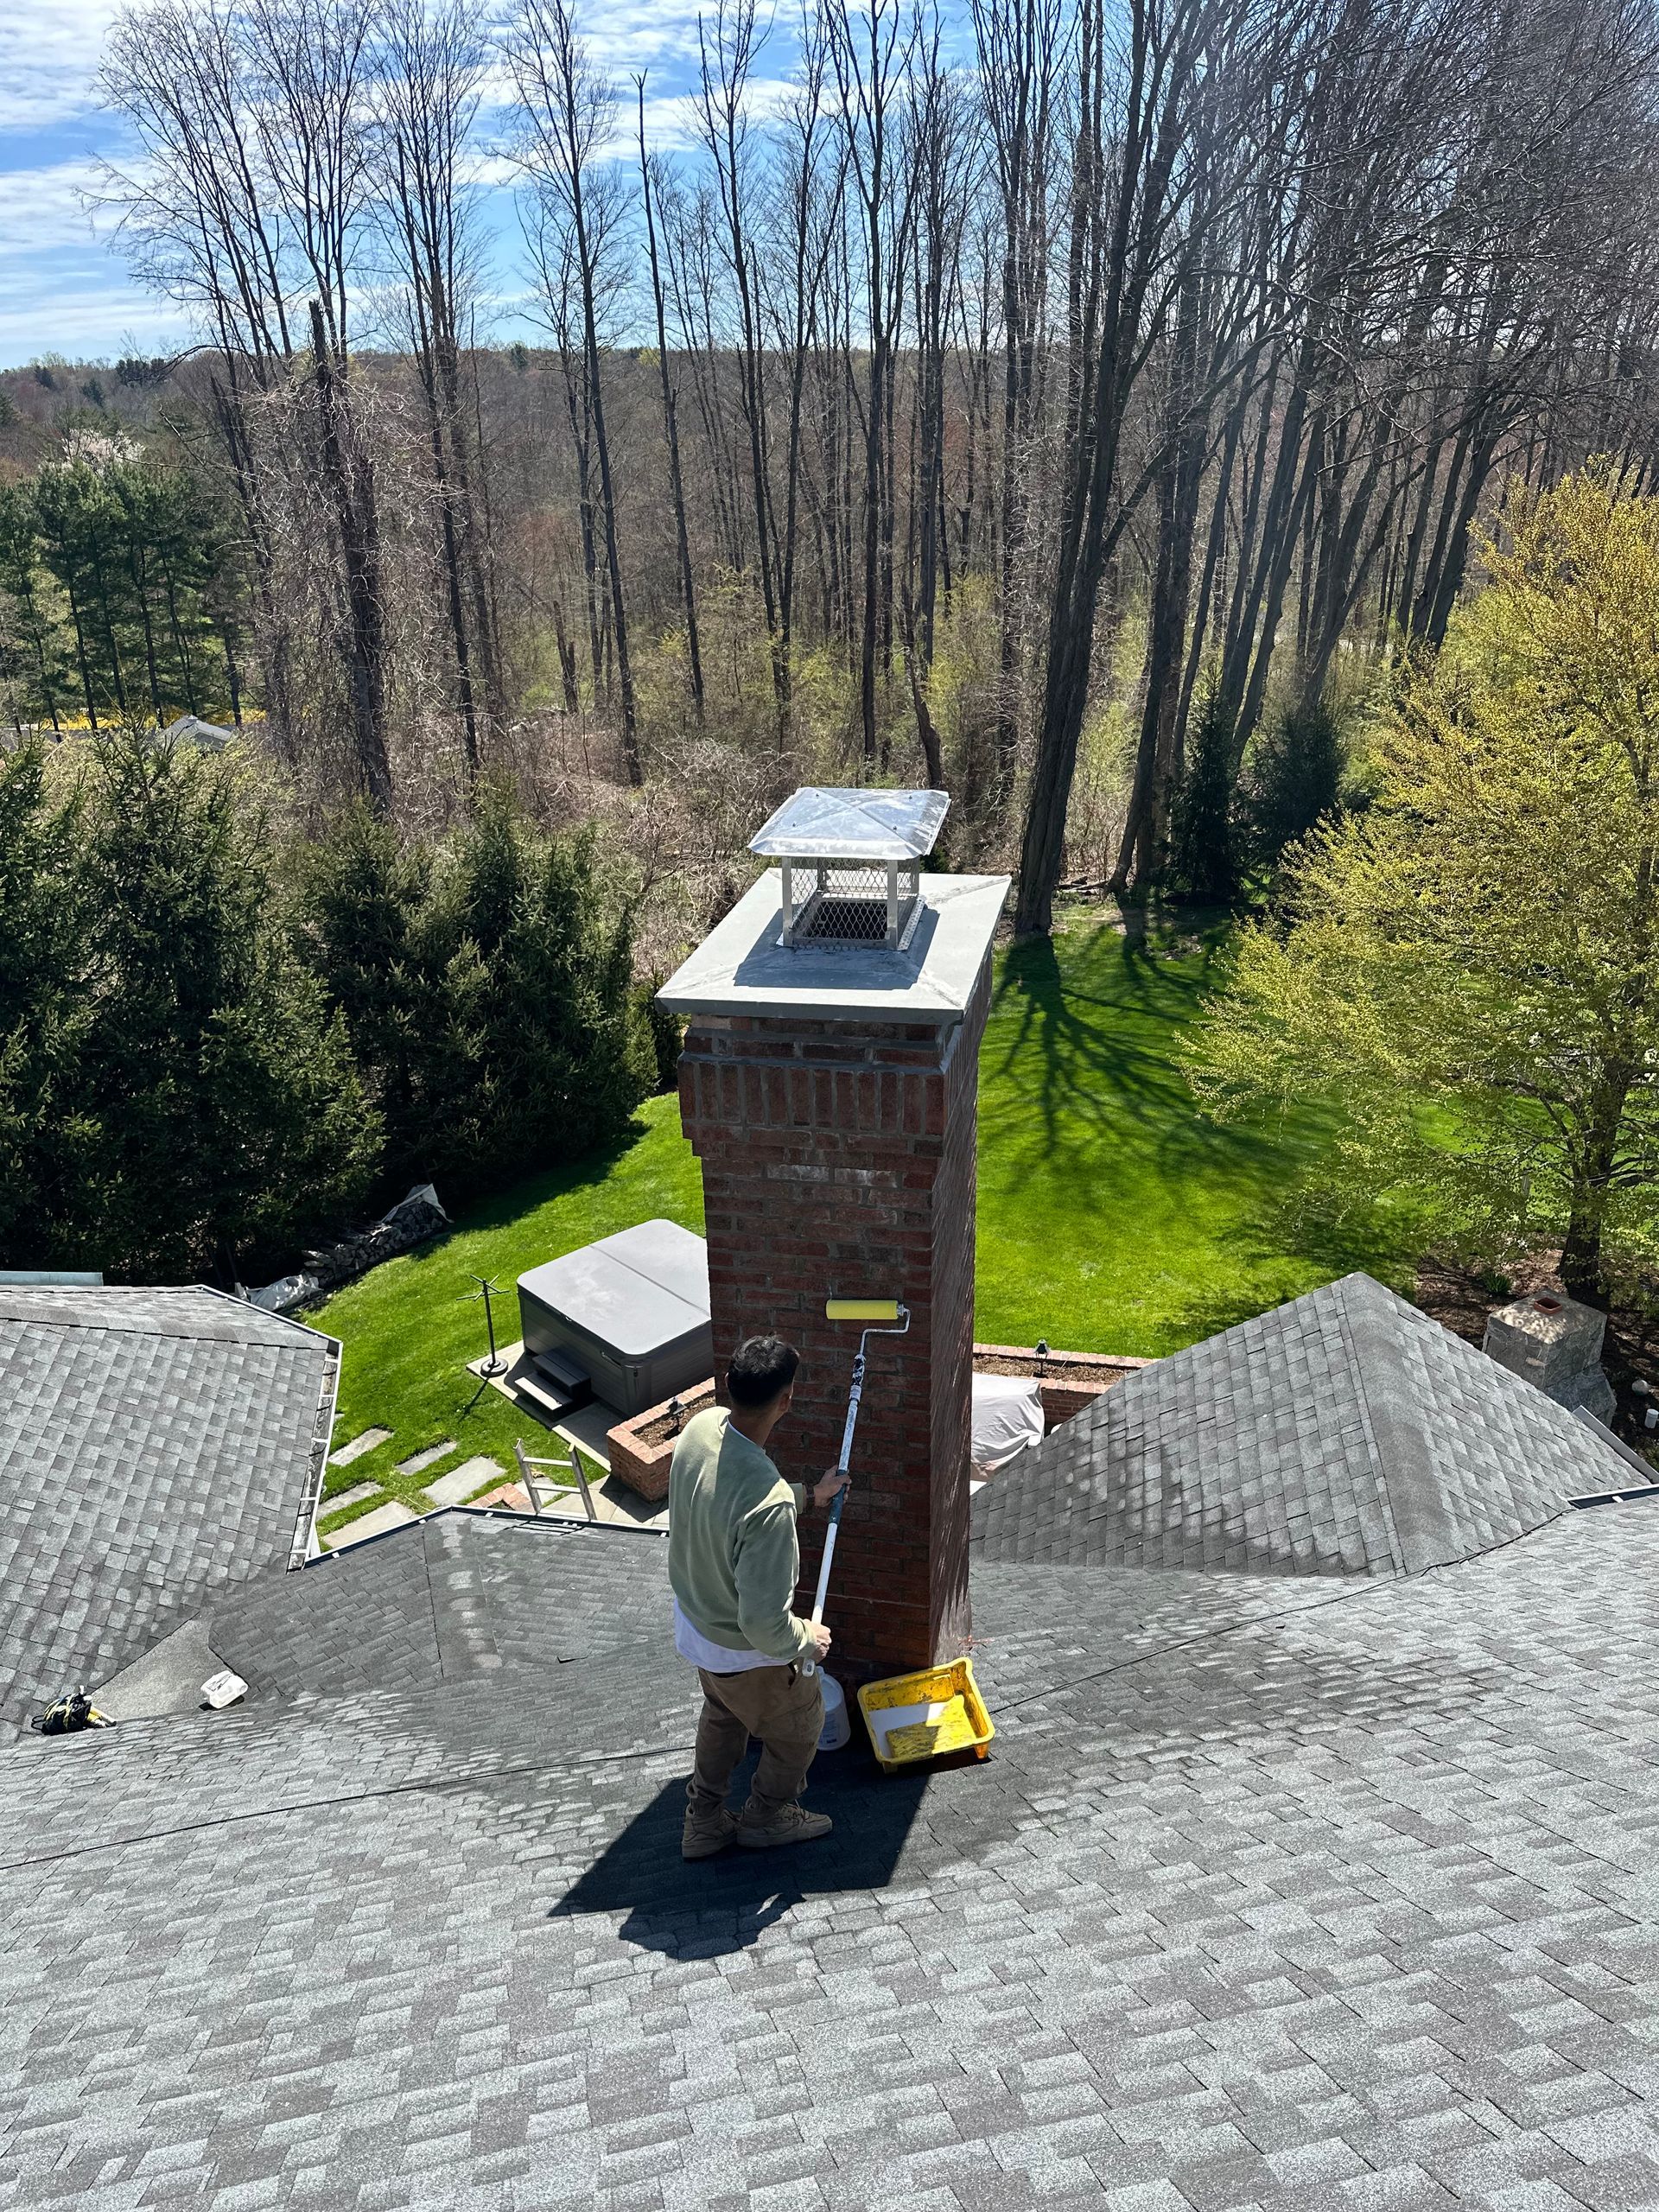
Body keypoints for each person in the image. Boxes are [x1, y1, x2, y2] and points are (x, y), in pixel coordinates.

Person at [667, 1334, 849, 1859]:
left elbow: (731, 1498)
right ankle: (766, 1817)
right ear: (787, 1400)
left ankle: (702, 1822)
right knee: (800, 1729)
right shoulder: (768, 1511)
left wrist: (809, 1496)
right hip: (747, 1651)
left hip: (698, 1628)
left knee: (723, 1716)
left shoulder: (700, 1430)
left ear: (729, 1386)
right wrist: (806, 1639)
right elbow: (766, 1625)